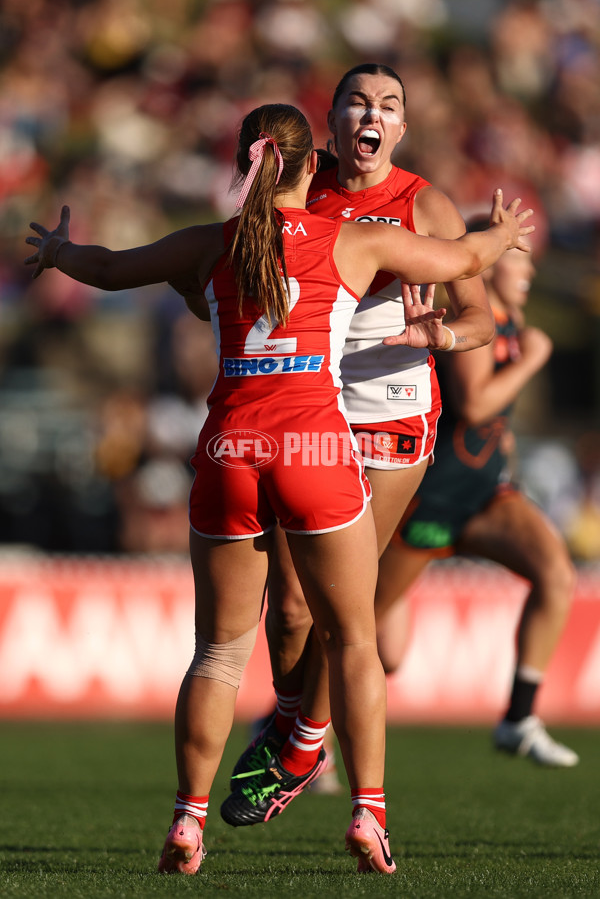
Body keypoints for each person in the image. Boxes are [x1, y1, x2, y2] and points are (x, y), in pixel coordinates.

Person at [25, 103, 533, 877]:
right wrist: (500, 236)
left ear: (243, 165)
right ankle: (368, 814)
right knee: (353, 639)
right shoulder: (352, 240)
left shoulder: (211, 245)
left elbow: (109, 268)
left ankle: (189, 822)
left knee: (220, 654)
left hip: (230, 447)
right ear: (311, 168)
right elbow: (460, 263)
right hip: (316, 444)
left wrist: (59, 250)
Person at [223, 62, 497, 813]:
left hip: (394, 407)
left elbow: (482, 319)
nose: (371, 115)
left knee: (347, 602)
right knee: (287, 614)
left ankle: (304, 746)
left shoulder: (424, 202)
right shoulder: (295, 192)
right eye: (356, 101)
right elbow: (231, 274)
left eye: (388, 105)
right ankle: (290, 722)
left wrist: (437, 332)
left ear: (400, 129)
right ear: (333, 122)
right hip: (304, 404)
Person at [375, 220, 578, 767]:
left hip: (485, 492)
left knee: (556, 574)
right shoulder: (477, 322)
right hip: (432, 496)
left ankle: (519, 718)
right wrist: (534, 359)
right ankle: (294, 728)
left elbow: (494, 419)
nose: (530, 271)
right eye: (518, 258)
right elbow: (477, 403)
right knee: (373, 643)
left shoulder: (515, 320)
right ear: (487, 267)